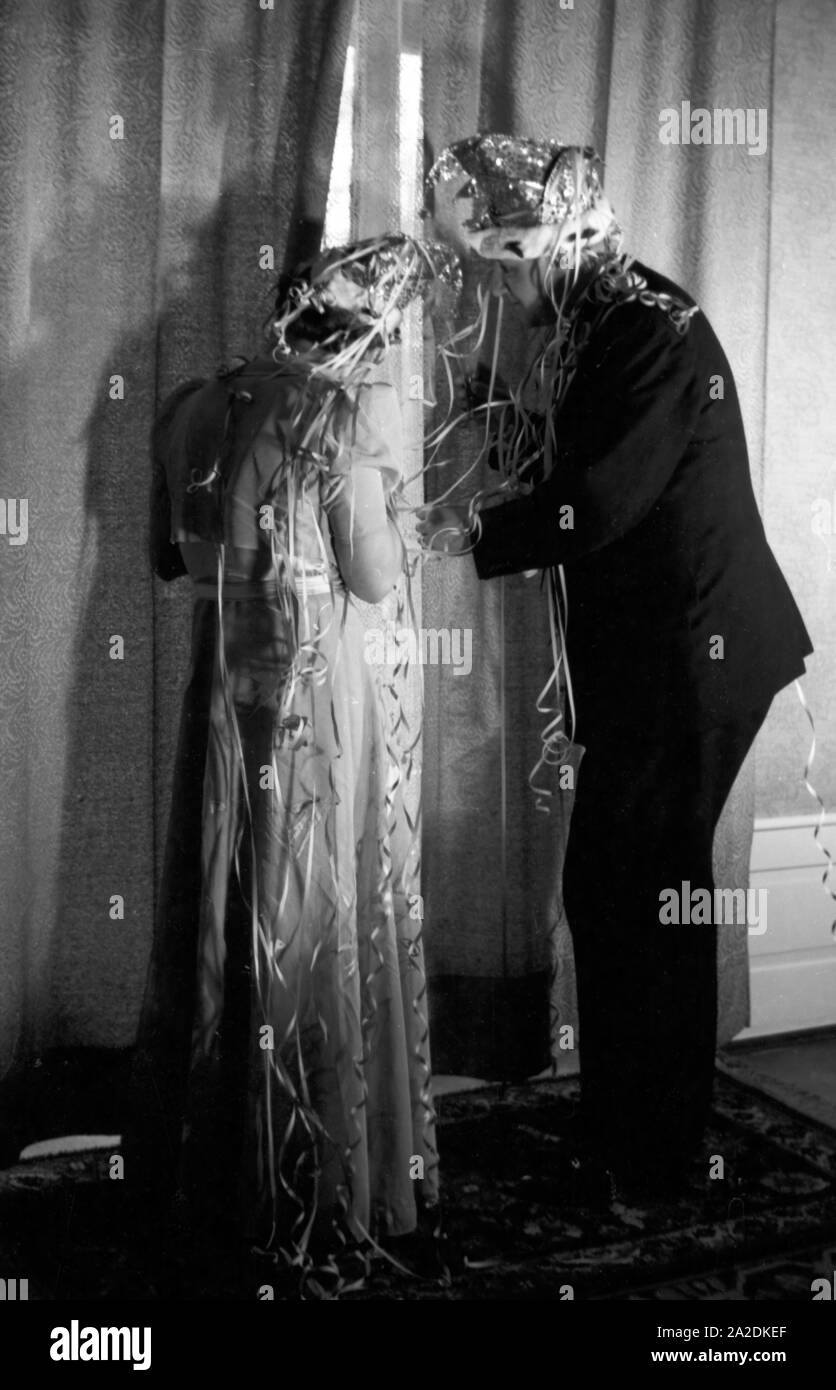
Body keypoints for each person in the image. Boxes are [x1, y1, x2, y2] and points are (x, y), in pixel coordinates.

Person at [418, 134, 814, 1201]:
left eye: (508, 262)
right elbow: (579, 464)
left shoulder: (642, 329)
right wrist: (501, 423)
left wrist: (471, 534)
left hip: (694, 656)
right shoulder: (606, 316)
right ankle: (629, 1124)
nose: (503, 284)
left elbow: (595, 502)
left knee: (648, 894)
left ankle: (660, 1149)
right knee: (615, 889)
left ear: (552, 242)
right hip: (660, 655)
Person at [128, 233, 458, 1291]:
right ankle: (302, 1188)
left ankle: (205, 1169)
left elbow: (166, 554)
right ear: (365, 332)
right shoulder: (337, 414)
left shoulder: (190, 403)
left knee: (221, 912)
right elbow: (370, 575)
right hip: (313, 705)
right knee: (309, 915)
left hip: (221, 694)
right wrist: (406, 510)